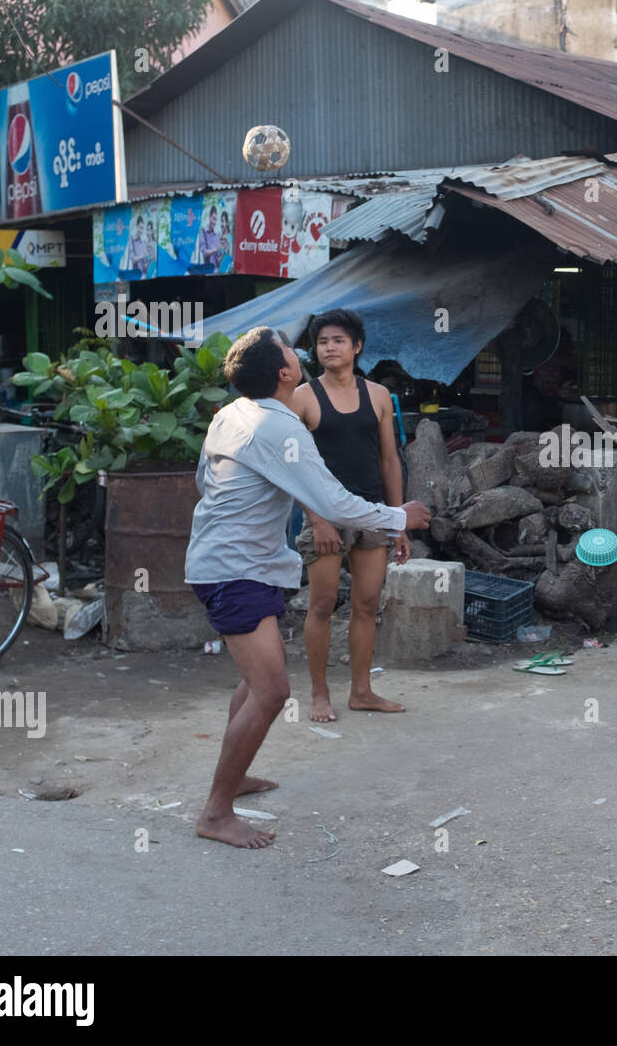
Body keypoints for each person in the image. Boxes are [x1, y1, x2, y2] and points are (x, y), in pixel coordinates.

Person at [184, 326, 430, 849]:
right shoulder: (279, 426)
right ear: (285, 373)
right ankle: (216, 811)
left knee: (256, 683)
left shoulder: (231, 415)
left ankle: (236, 776)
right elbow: (337, 503)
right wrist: (398, 515)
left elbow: (203, 484)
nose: (303, 353)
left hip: (241, 564)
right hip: (235, 570)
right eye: (292, 350)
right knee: (273, 691)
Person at [291, 309, 410, 722]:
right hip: (323, 514)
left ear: (357, 346)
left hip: (372, 512)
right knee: (322, 604)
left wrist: (397, 521)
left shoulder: (377, 395)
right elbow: (293, 469)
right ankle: (319, 695)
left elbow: (390, 460)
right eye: (323, 341)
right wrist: (318, 520)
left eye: (338, 340)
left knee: (367, 602)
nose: (330, 348)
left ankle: (362, 691)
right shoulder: (303, 398)